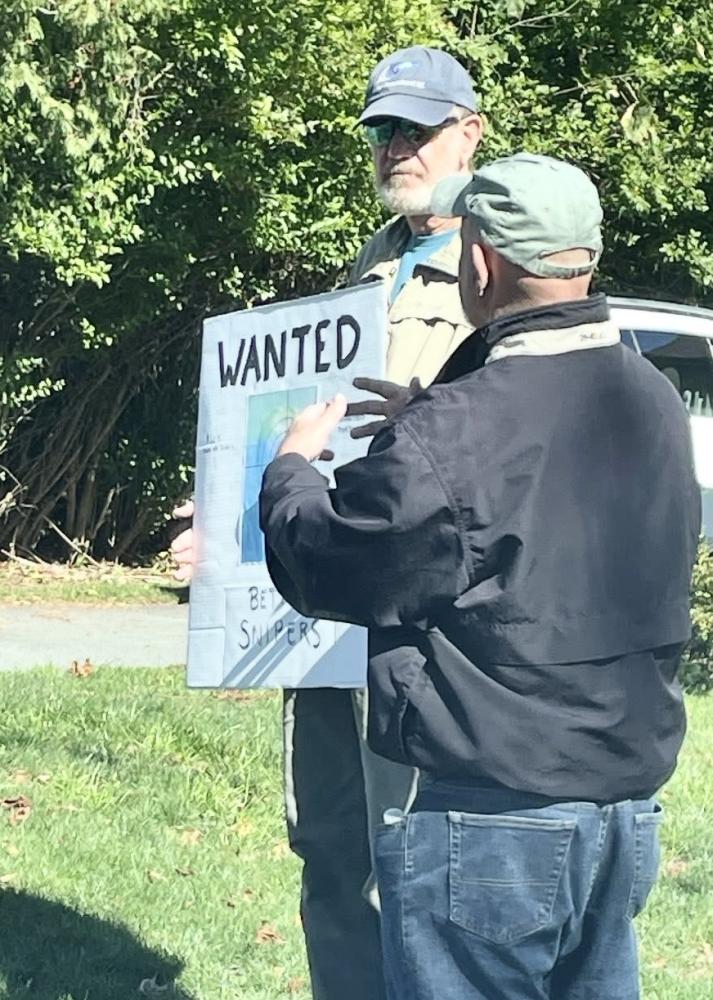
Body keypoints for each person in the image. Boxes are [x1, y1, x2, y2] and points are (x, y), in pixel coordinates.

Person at [259, 153, 701, 1000]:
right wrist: (428, 417)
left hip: (490, 823)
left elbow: (331, 565)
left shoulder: (461, 432)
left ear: (483, 263)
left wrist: (292, 470)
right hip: (619, 814)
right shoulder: (649, 398)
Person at [172, 46, 484, 1000]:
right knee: (327, 851)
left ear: (469, 133)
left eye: (418, 130)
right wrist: (227, 533)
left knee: (413, 858)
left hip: (415, 635)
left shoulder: (497, 269)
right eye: (383, 131)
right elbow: (301, 432)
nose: (397, 149)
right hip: (317, 629)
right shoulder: (367, 269)